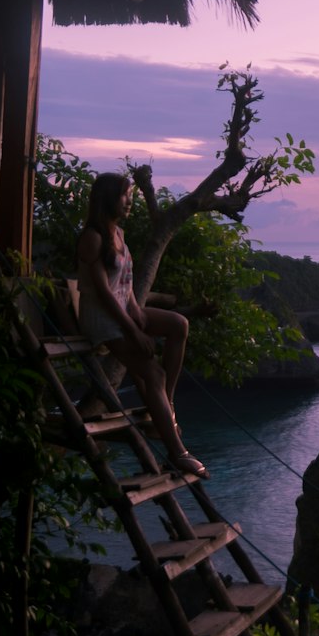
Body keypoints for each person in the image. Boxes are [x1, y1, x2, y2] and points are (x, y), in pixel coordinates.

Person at [76, 172, 209, 479]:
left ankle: (168, 402)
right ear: (109, 197)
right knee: (153, 373)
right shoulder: (92, 238)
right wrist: (134, 329)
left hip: (123, 313)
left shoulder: (118, 233)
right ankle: (179, 453)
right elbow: (104, 294)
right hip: (103, 321)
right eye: (125, 195)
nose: (130, 200)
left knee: (179, 324)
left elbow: (125, 287)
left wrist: (138, 313)